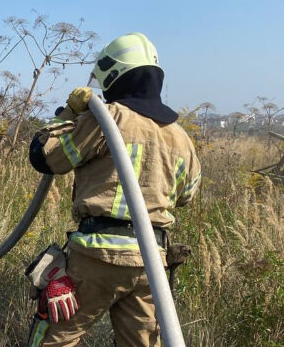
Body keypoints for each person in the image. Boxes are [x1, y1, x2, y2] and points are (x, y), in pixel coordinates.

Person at [24, 33, 201, 346]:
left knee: (55, 339)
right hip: (151, 266)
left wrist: (69, 112)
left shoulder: (110, 118)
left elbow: (46, 157)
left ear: (114, 75)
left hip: (98, 256)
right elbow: (186, 196)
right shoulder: (181, 137)